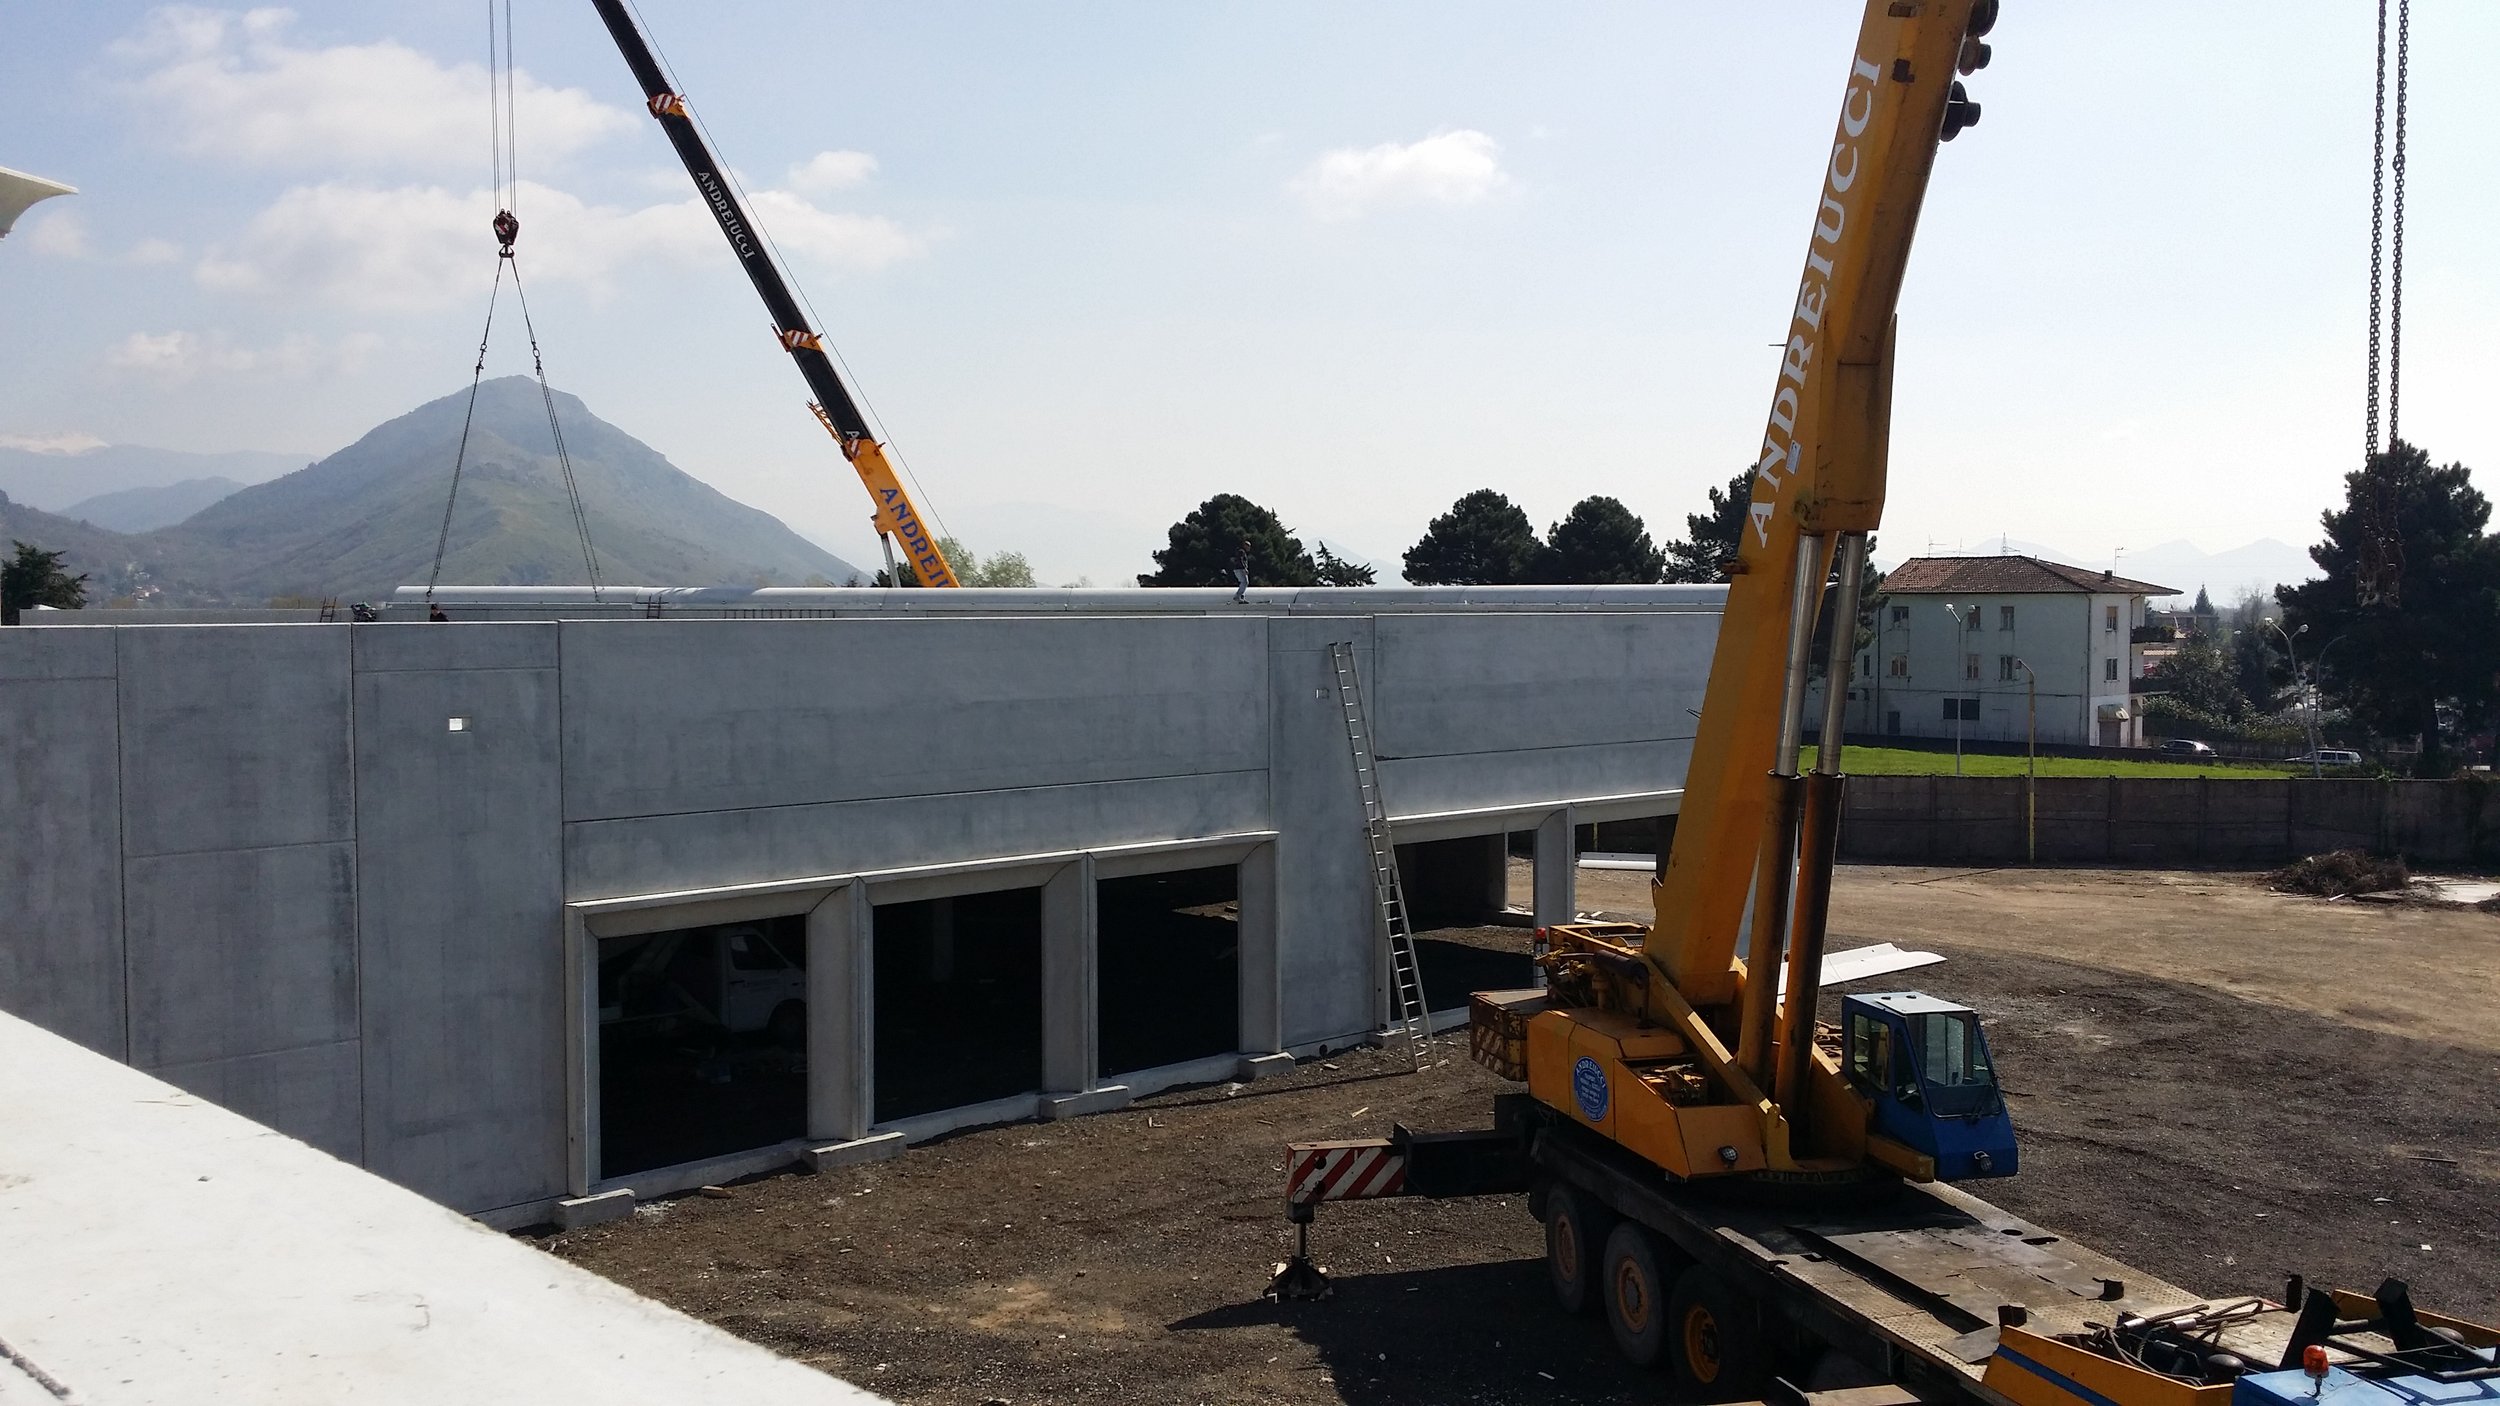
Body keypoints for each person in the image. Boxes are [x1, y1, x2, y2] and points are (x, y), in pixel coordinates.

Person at [1230, 540, 1251, 604]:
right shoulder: (1241, 551)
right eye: (1248, 546)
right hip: (1240, 569)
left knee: (1245, 583)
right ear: (1245, 546)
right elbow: (1240, 560)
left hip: (1239, 569)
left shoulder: (1241, 551)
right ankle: (1237, 596)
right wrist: (1244, 569)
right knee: (1244, 582)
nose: (1249, 548)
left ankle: (1242, 598)